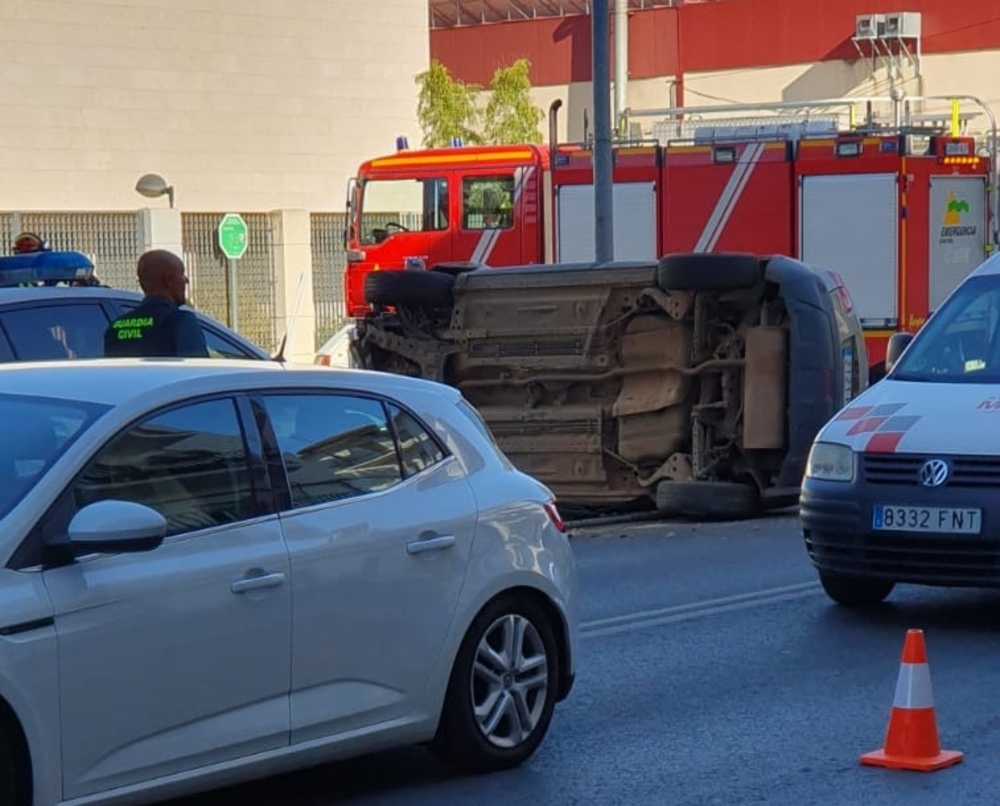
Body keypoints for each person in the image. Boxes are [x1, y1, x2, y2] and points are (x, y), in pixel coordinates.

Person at [103, 249, 209, 358]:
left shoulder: (116, 327)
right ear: (168, 280)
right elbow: (200, 369)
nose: (186, 280)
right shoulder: (182, 322)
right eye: (182, 274)